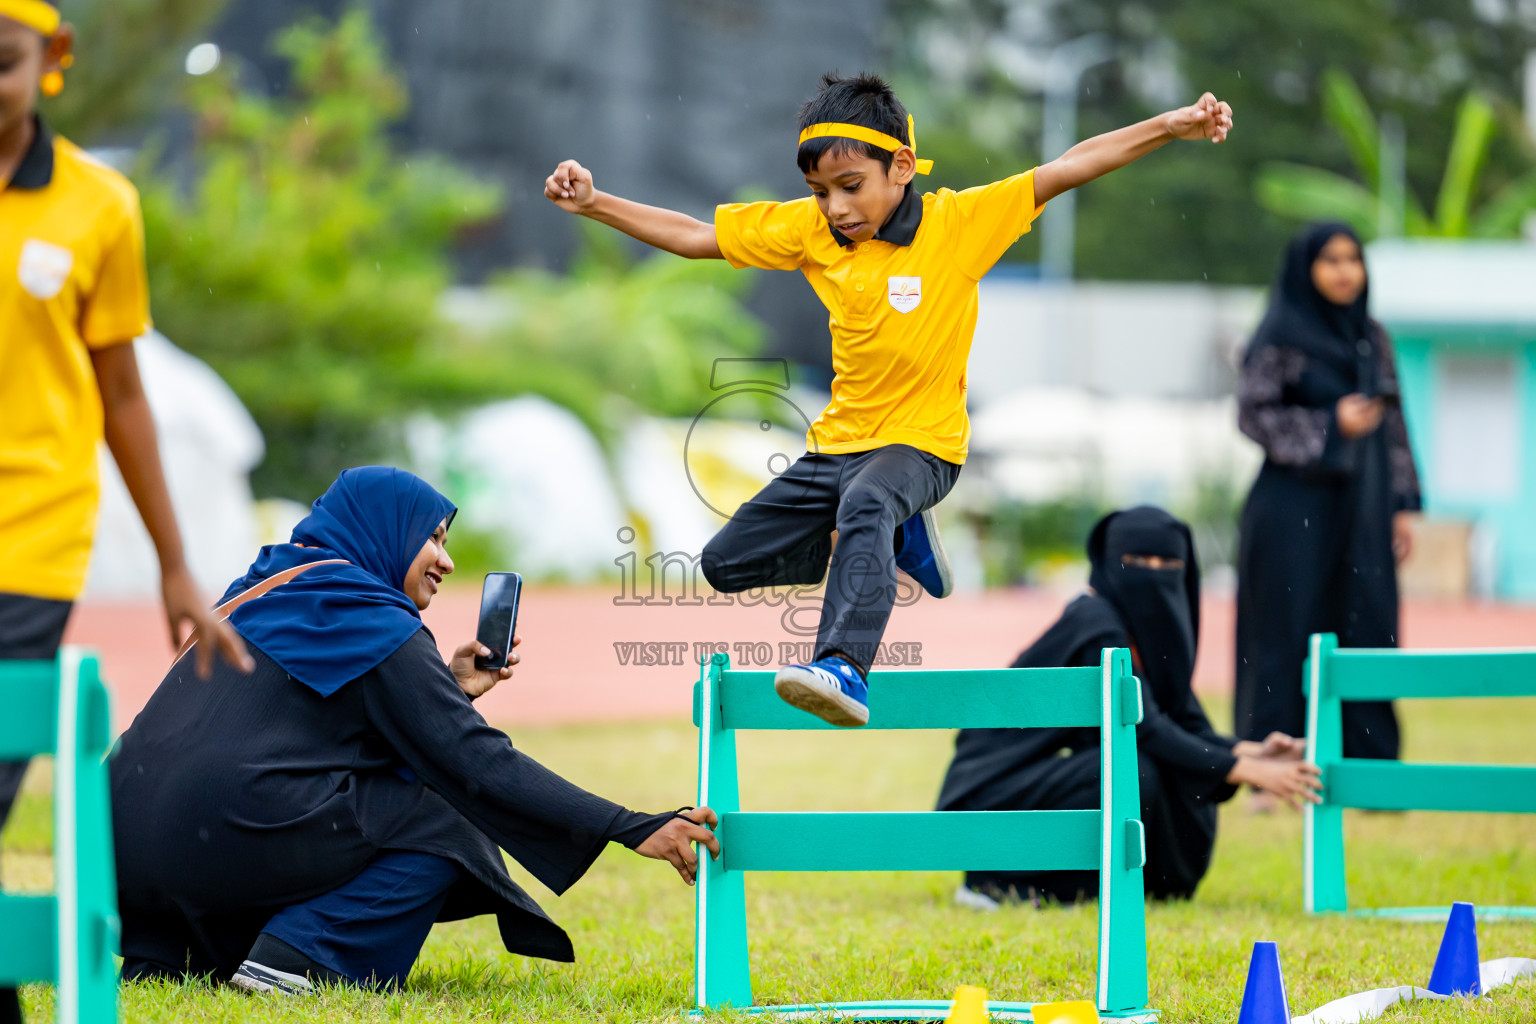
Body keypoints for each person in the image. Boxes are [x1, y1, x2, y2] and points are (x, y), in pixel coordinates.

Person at [544, 72, 1235, 728]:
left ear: (901, 166)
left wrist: (1171, 127)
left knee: (869, 501)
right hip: (840, 445)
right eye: (819, 192)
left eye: (850, 186)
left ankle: (844, 666)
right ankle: (894, 537)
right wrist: (593, 203)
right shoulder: (813, 231)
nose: (836, 208)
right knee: (726, 565)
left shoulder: (959, 224)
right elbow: (698, 237)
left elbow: (1070, 166)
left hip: (925, 446)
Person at [110, 467, 721, 994]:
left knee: (348, 795)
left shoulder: (260, 587)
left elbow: (304, 737)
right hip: (221, 835)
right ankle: (306, 958)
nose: (447, 562)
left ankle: (167, 961)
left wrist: (447, 690)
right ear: (385, 529)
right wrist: (627, 826)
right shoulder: (369, 616)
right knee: (449, 812)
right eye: (431, 537)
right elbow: (473, 763)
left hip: (119, 850)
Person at [1, 4, 246, 1020]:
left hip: (32, 536)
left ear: (50, 63)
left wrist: (176, 562)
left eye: (2, 62)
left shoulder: (100, 206)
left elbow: (124, 395)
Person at [936, 507, 1319, 907]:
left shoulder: (1148, 635)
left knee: (1160, 768)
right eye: (1137, 561)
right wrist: (1249, 771)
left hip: (1042, 779)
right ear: (1107, 562)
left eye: (1168, 563)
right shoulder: (1095, 623)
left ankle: (1128, 884)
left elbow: (1182, 721)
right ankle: (996, 882)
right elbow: (1144, 728)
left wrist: (1249, 751)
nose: (1153, 574)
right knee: (1133, 770)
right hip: (987, 799)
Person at [1234, 223, 1421, 796]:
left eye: (1353, 259)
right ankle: (1272, 774)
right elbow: (1252, 415)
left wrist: (1404, 505)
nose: (1344, 271)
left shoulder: (1372, 335)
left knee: (1369, 628)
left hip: (1362, 512)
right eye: (1330, 260)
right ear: (1304, 270)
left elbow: (1393, 425)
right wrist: (1327, 426)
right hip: (1291, 511)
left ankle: (1371, 776)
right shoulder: (1279, 335)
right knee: (1283, 634)